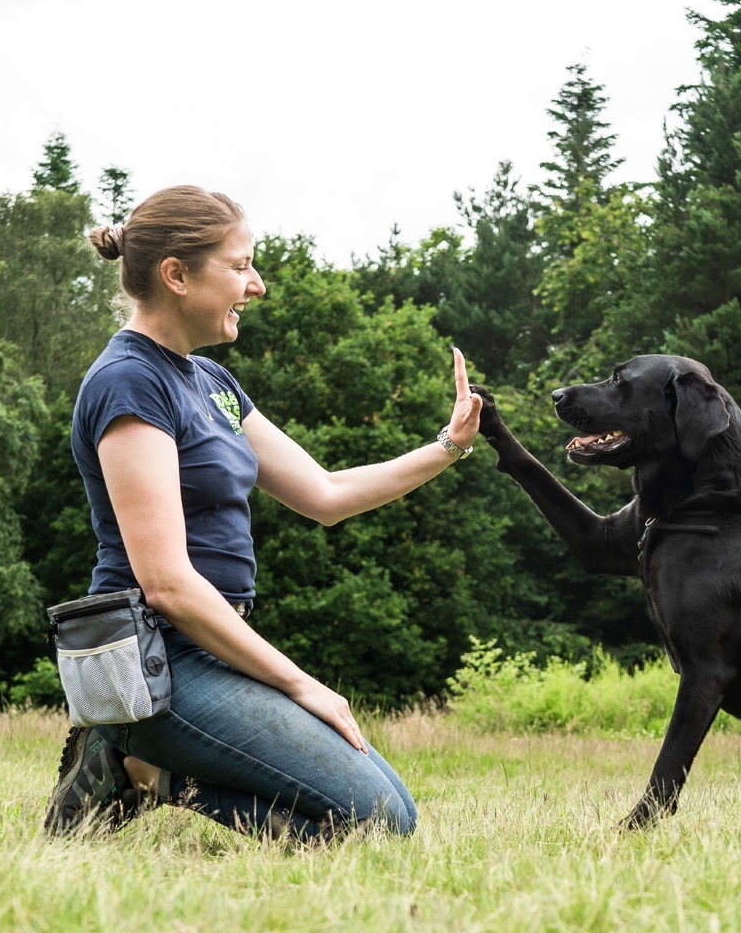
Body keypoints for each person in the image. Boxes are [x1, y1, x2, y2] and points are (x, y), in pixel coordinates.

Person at [43, 184, 481, 843]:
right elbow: (165, 583)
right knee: (383, 825)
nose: (259, 285)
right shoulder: (129, 382)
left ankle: (141, 769)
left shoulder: (211, 383)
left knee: (390, 810)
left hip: (216, 651)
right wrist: (303, 684)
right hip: (158, 664)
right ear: (177, 275)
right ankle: (128, 766)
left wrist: (447, 448)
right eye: (241, 265)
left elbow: (325, 494)